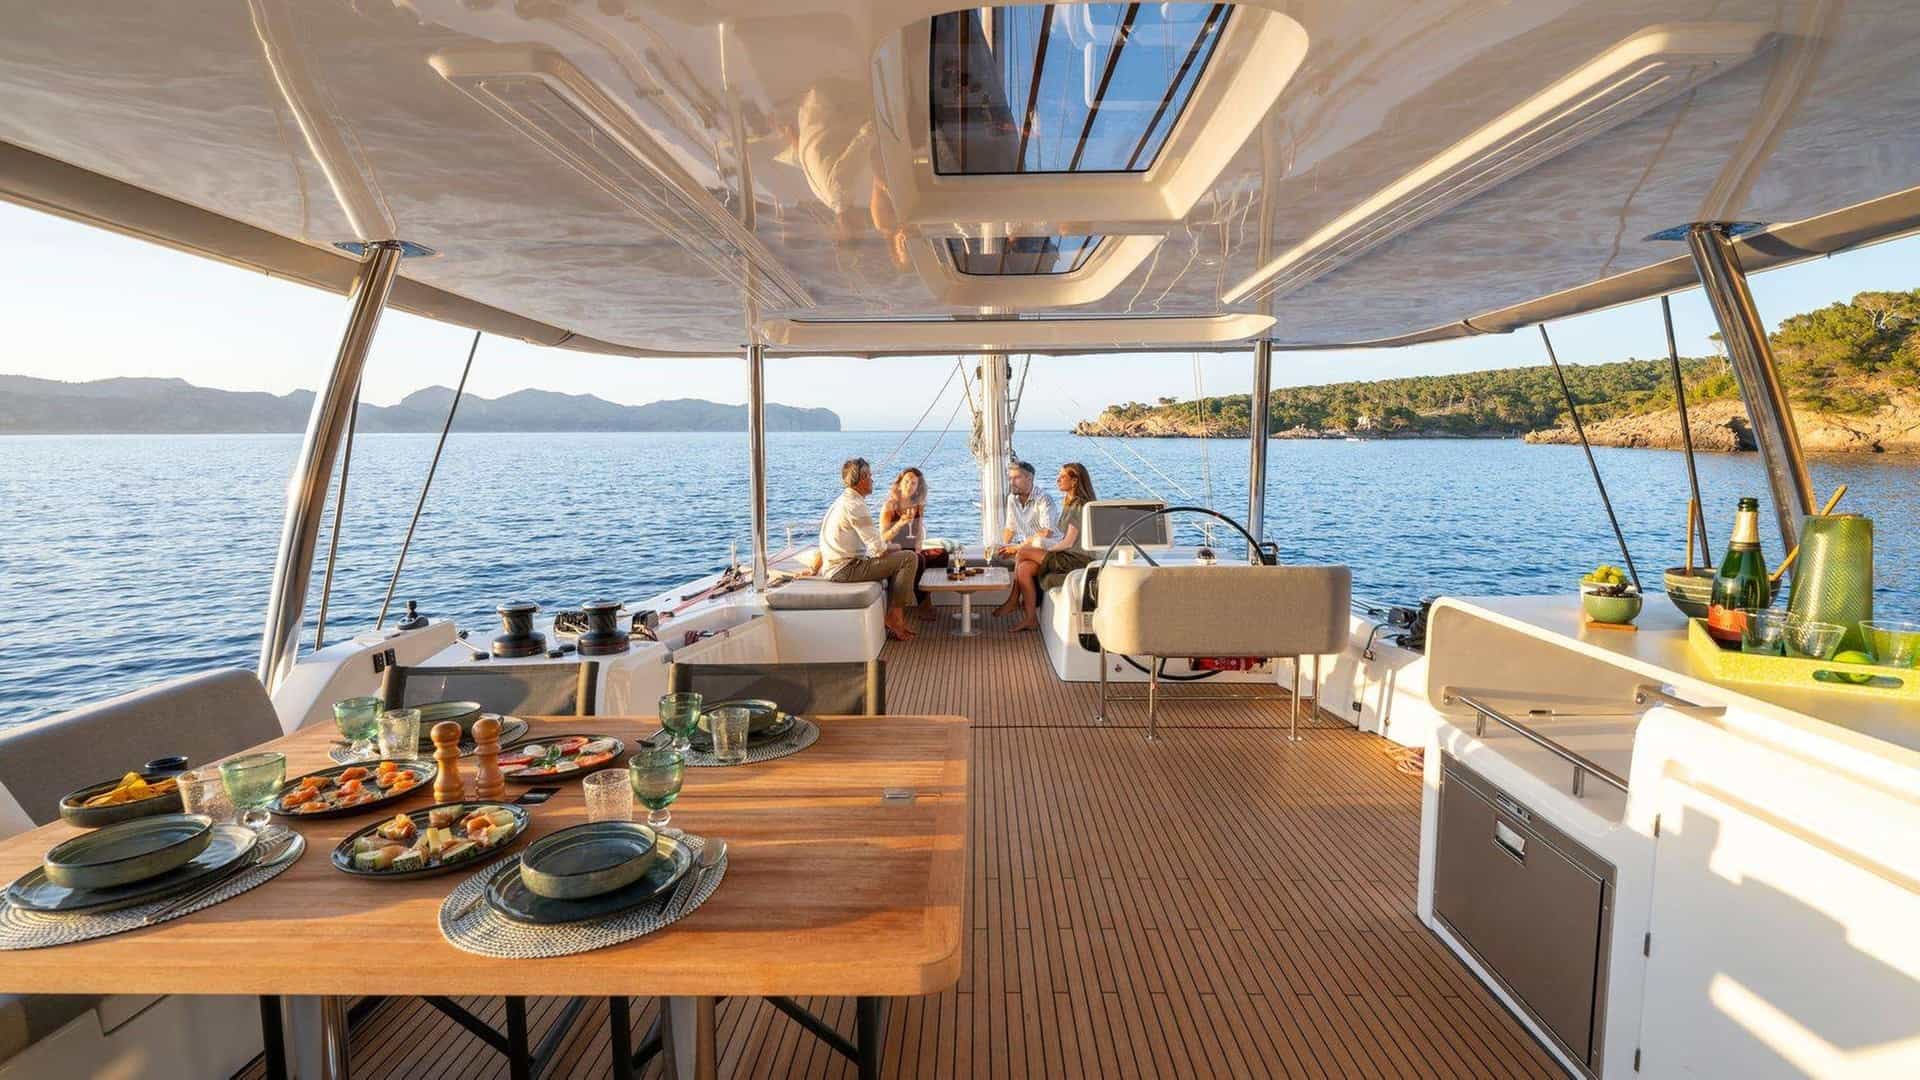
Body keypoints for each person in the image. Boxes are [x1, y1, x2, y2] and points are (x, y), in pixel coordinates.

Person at [818, 457, 921, 640]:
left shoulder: (843, 501)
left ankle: (896, 615)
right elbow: (878, 549)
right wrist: (896, 548)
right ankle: (895, 617)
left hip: (837, 566)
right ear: (863, 478)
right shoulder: (856, 505)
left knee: (900, 557)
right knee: (909, 558)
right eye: (870, 476)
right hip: (846, 569)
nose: (873, 480)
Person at [1004, 463, 1097, 632]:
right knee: (1024, 568)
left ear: (1074, 481)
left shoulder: (1078, 505)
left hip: (1076, 559)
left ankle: (1013, 599)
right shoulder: (1069, 503)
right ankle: (1031, 619)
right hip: (1067, 555)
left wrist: (1045, 551)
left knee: (1023, 551)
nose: (1057, 480)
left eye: (1062, 477)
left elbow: (1068, 542)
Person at [879, 467, 938, 616]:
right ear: (899, 484)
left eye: (913, 483)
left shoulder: (918, 505)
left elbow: (918, 532)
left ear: (918, 487)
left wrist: (918, 546)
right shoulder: (890, 506)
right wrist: (900, 524)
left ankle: (927, 596)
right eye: (906, 482)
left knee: (941, 555)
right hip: (895, 551)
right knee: (919, 559)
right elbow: (883, 537)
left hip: (913, 550)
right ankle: (923, 605)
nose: (909, 486)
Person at [995, 459, 1057, 561]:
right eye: (1010, 478)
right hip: (1027, 548)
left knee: (1024, 565)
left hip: (1050, 548)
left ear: (1029, 478)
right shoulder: (1012, 498)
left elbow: (1046, 533)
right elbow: (1010, 528)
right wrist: (1004, 547)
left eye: (1016, 478)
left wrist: (1017, 548)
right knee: (1003, 558)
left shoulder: (1043, 498)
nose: (1012, 482)